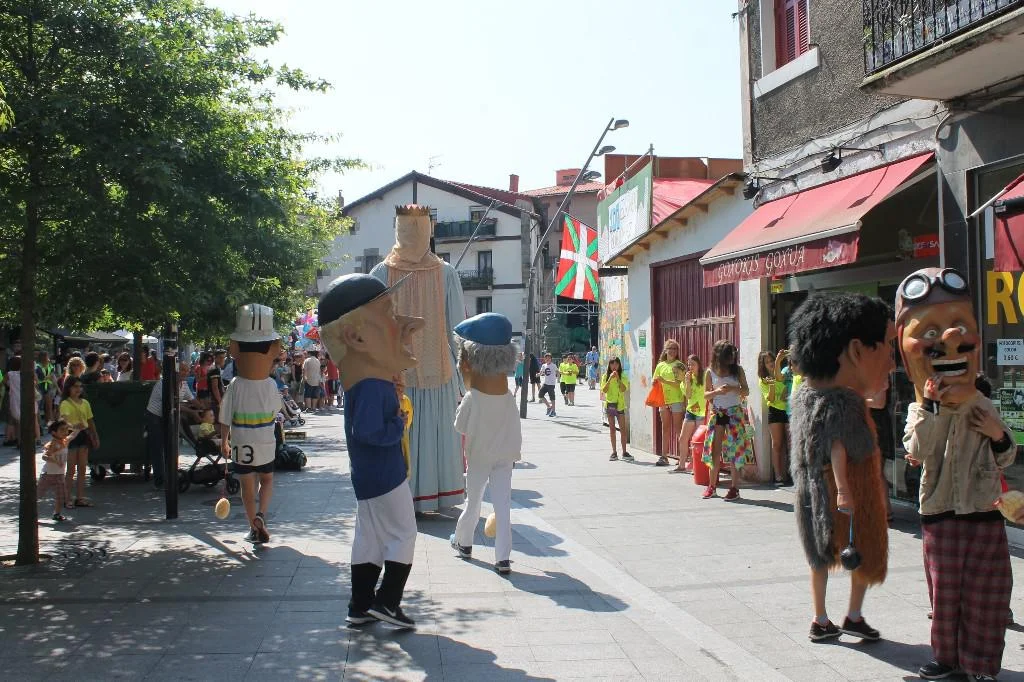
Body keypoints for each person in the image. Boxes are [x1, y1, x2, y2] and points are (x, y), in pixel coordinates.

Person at [897, 267, 1015, 681]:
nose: (950, 339)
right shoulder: (919, 409)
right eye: (930, 333)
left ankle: (981, 664)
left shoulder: (984, 404)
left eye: (960, 327)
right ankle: (947, 658)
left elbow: (1006, 458)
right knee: (945, 595)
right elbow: (916, 450)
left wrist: (998, 434)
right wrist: (931, 408)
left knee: (987, 594)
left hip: (983, 512)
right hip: (941, 511)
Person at [319, 272, 424, 628]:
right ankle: (388, 602)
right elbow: (367, 431)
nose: (404, 324)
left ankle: (360, 605)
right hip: (384, 474)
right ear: (356, 337)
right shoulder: (370, 387)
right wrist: (397, 424)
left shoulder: (366, 384)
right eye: (389, 314)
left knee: (370, 538)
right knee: (404, 533)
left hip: (369, 475)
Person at [788, 292, 893, 643]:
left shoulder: (804, 396)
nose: (891, 361)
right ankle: (853, 615)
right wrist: (845, 490)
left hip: (810, 489)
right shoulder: (845, 404)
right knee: (863, 549)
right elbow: (837, 446)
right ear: (857, 351)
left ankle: (820, 618)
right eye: (888, 347)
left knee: (818, 555)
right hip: (847, 491)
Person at [449, 313, 521, 574]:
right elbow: (515, 429)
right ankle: (503, 558)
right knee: (503, 505)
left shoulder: (473, 398)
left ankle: (464, 542)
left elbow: (459, 426)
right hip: (504, 457)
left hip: (479, 456)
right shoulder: (508, 398)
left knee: (474, 501)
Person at [218, 305, 285, 545]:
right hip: (265, 441)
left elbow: (225, 417)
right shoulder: (270, 384)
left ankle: (252, 528)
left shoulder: (235, 385)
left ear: (235, 348)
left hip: (241, 442)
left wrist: (224, 442)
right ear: (273, 349)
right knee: (267, 480)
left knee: (247, 486)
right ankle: (261, 515)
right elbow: (276, 411)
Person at [700, 340, 752, 500]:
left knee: (735, 451)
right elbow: (705, 395)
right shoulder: (710, 372)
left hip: (735, 413)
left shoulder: (738, 370)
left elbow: (746, 390)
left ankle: (734, 488)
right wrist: (717, 392)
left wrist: (732, 389)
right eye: (729, 355)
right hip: (718, 413)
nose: (732, 357)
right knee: (715, 450)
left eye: (733, 354)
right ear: (720, 356)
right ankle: (712, 486)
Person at [59, 376, 99, 508]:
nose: (78, 389)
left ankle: (80, 498)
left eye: (80, 386)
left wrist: (95, 436)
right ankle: (67, 498)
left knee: (82, 468)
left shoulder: (85, 403)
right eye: (75, 386)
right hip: (71, 436)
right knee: (71, 469)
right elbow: (64, 420)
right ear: (68, 388)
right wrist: (73, 426)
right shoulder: (65, 404)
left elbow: (90, 421)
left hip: (83, 435)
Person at [757, 349, 792, 486]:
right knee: (777, 444)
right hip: (775, 411)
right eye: (767, 362)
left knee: (790, 443)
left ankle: (791, 473)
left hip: (788, 410)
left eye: (771, 360)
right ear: (763, 365)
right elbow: (770, 400)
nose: (770, 363)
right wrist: (771, 385)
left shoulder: (782, 372)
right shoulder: (763, 381)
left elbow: (786, 386)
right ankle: (778, 475)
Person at [671, 354, 705, 474]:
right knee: (683, 438)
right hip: (690, 412)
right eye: (689, 365)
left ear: (699, 365)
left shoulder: (704, 377)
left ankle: (697, 467)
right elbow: (689, 395)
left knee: (698, 440)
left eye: (693, 364)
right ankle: (682, 465)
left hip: (702, 412)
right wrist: (687, 382)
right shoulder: (684, 382)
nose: (690, 367)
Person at [654, 340, 685, 467]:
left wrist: (664, 381)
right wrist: (655, 382)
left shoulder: (680, 365)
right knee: (665, 428)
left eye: (675, 349)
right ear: (665, 350)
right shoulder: (660, 365)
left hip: (676, 399)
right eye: (670, 348)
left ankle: (682, 456)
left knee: (678, 429)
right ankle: (664, 456)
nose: (672, 351)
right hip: (663, 400)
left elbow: (680, 384)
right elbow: (655, 380)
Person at [39, 419, 74, 522]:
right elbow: (44, 456)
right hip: (47, 474)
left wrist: (79, 428)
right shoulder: (52, 444)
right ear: (54, 432)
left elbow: (72, 435)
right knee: (39, 494)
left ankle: (57, 514)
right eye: (62, 430)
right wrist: (55, 461)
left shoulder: (64, 441)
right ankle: (30, 512)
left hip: (59, 474)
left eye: (66, 429)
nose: (65, 432)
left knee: (60, 496)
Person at [601, 357, 630, 461]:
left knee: (623, 429)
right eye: (612, 364)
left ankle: (624, 452)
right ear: (609, 365)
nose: (614, 366)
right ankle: (614, 452)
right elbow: (604, 390)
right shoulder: (605, 376)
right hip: (610, 405)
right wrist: (609, 379)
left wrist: (618, 378)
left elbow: (623, 389)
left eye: (616, 364)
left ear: (619, 365)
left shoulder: (623, 375)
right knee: (612, 429)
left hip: (620, 405)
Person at [7, 355, 40, 447]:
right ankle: (37, 439)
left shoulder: (10, 374)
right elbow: (37, 382)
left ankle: (20, 442)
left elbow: (4, 382)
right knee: (33, 420)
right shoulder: (30, 373)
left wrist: (11, 385)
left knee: (19, 423)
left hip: (16, 400)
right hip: (29, 399)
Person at [36, 351, 57, 424]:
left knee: (48, 407)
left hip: (48, 388)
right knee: (38, 408)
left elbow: (53, 377)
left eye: (47, 356)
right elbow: (39, 378)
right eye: (45, 356)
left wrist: (57, 388)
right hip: (39, 388)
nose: (47, 358)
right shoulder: (37, 366)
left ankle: (49, 424)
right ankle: (39, 425)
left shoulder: (50, 366)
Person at [538, 352, 559, 417]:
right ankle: (549, 407)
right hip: (545, 383)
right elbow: (541, 372)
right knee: (540, 395)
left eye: (549, 358)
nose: (547, 359)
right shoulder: (544, 365)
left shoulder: (553, 365)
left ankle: (553, 411)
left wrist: (558, 379)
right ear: (544, 359)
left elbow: (557, 372)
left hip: (551, 384)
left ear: (551, 359)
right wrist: (538, 374)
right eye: (546, 358)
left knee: (552, 397)